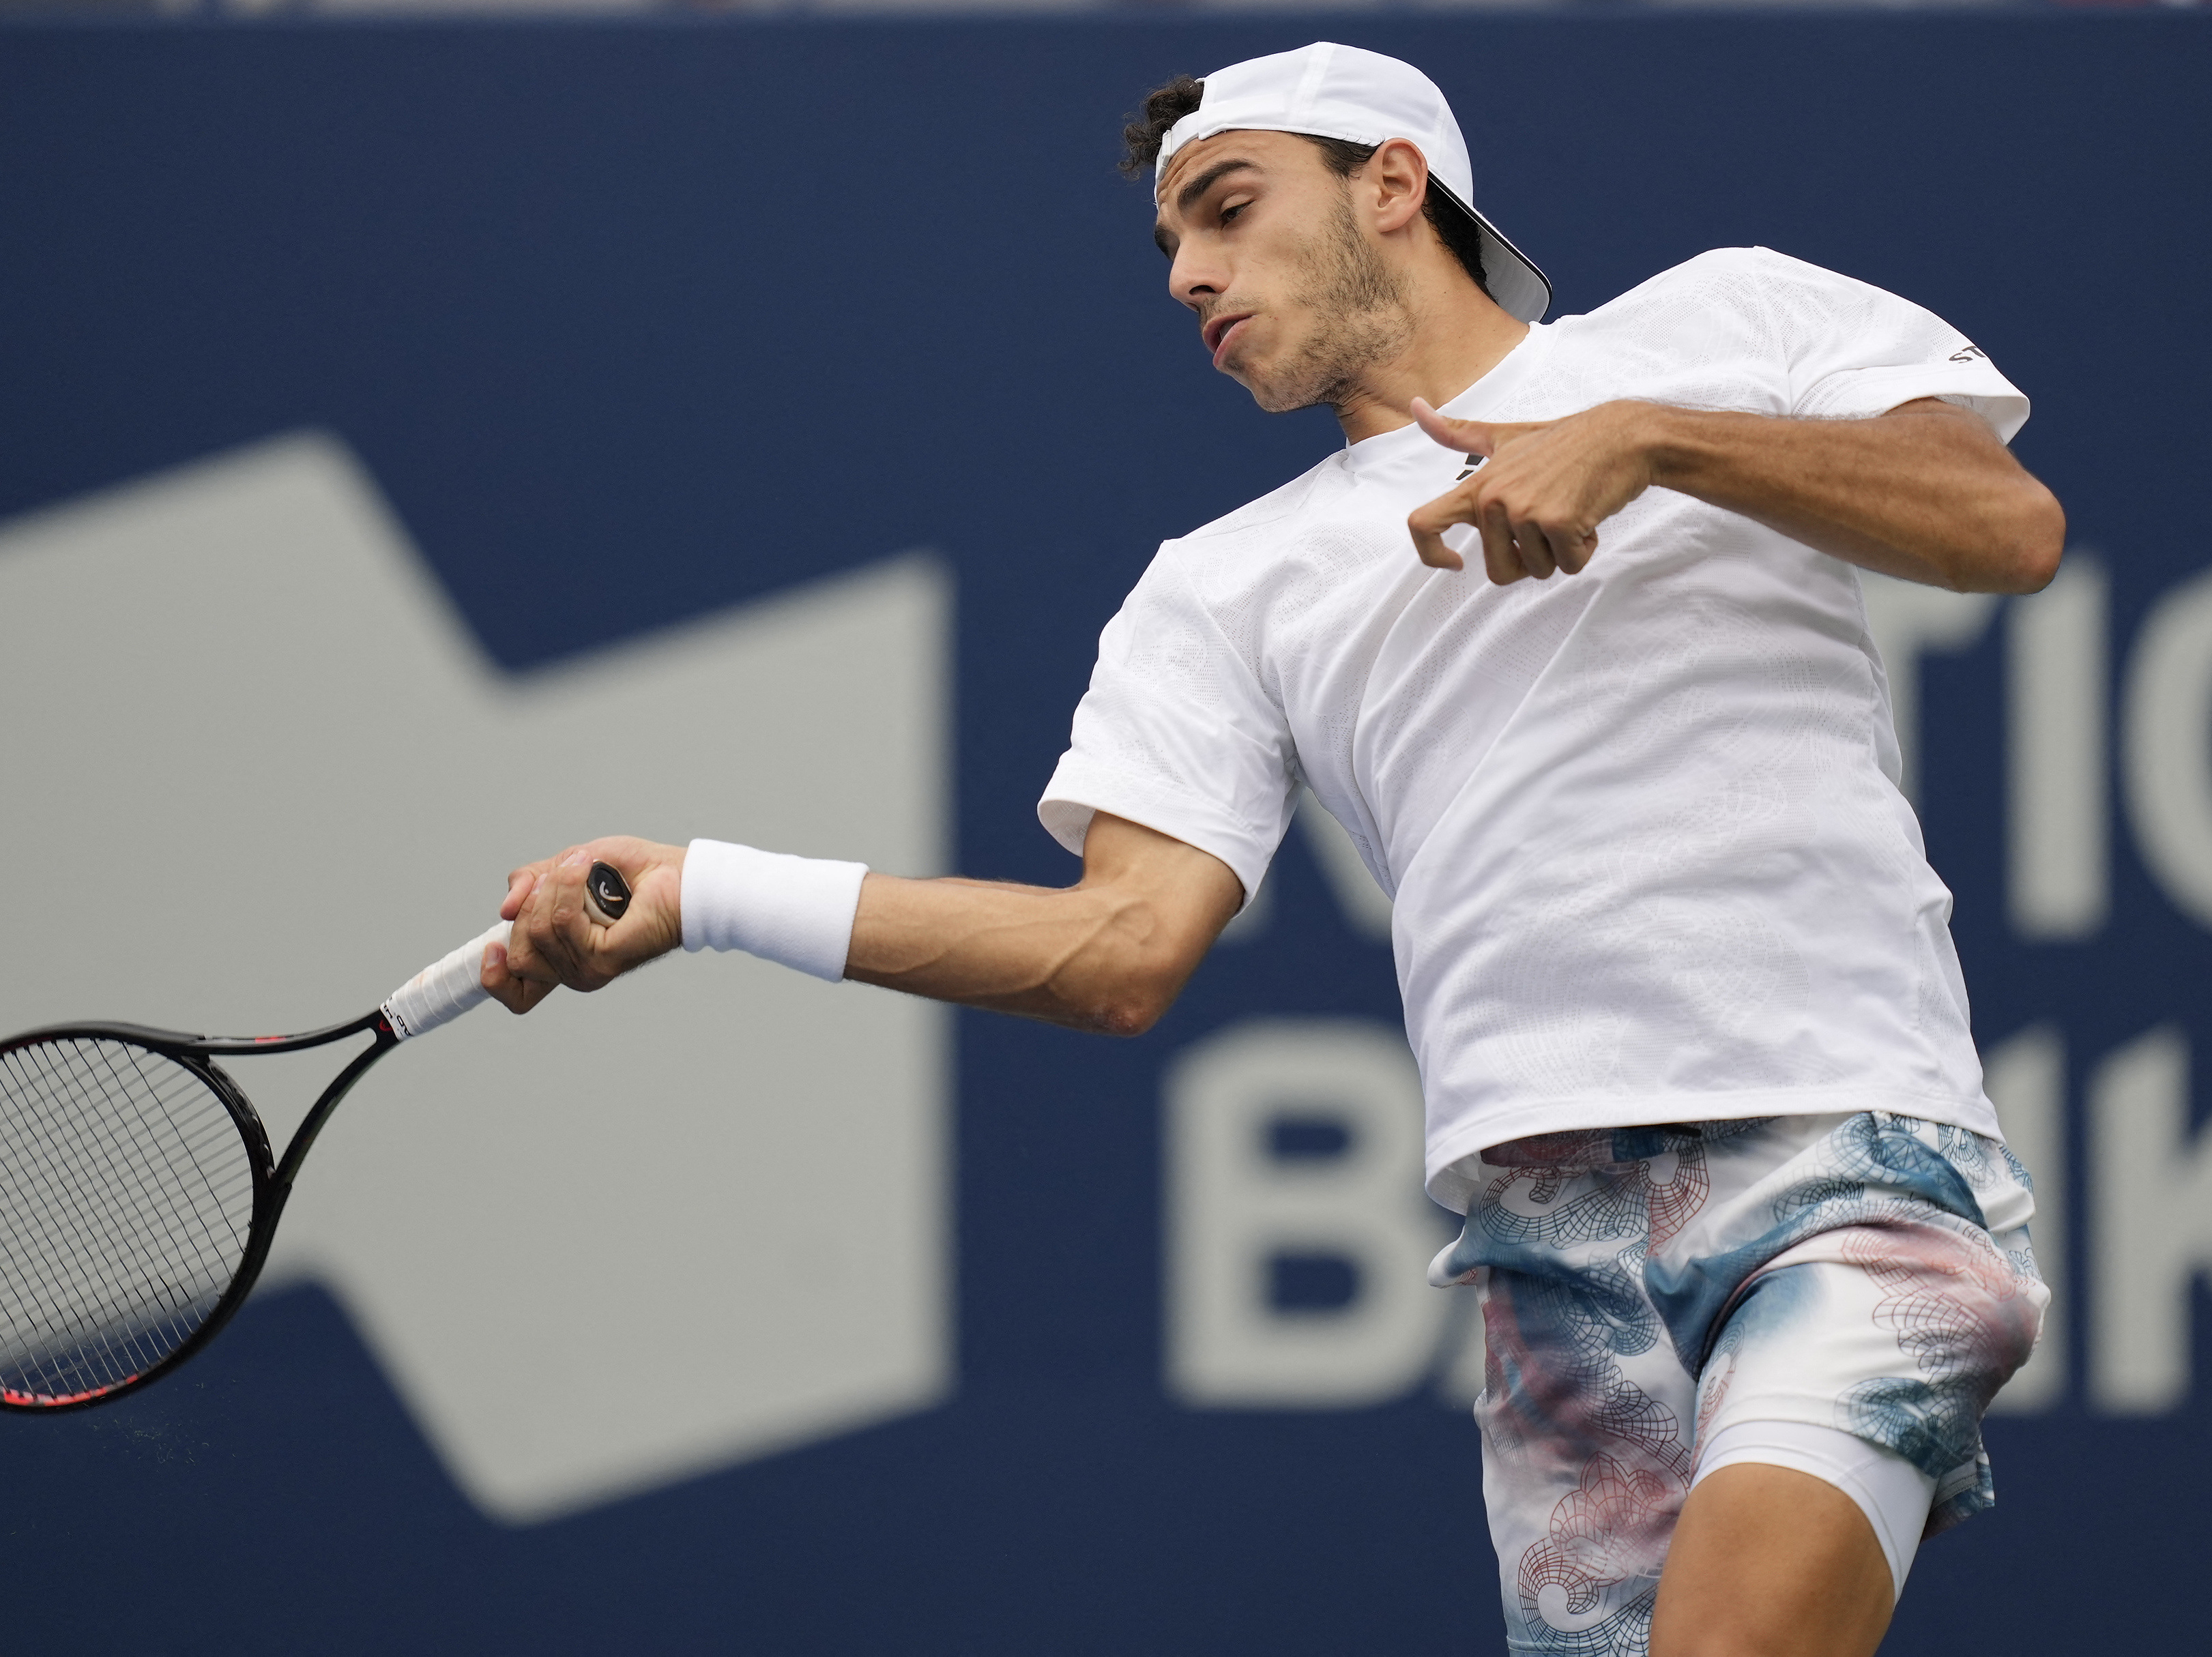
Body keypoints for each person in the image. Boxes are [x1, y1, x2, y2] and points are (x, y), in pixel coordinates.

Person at [482, 42, 2061, 1657]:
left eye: (1228, 211)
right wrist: (707, 893)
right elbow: (1115, 953)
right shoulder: (1220, 590)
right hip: (1551, 1244)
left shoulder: (1725, 321)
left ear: (1392, 185)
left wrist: (1650, 437)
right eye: (1171, 242)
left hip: (1845, 1158)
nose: (1187, 274)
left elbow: (2004, 528)